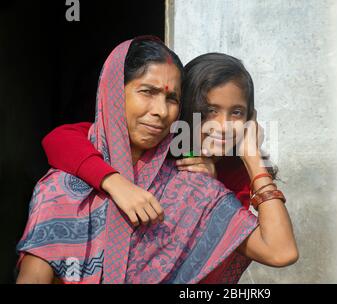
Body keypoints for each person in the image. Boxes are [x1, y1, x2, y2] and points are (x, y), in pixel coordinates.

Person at [17, 37, 298, 284]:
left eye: (171, 98)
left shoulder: (199, 188)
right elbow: (60, 138)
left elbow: (281, 250)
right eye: (147, 92)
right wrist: (116, 183)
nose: (160, 111)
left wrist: (253, 158)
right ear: (113, 93)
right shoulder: (62, 185)